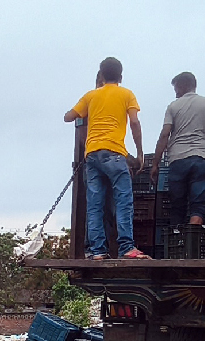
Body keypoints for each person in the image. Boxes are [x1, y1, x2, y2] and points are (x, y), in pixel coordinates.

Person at [64, 57, 150, 260]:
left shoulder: (91, 96)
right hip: (114, 153)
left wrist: (83, 109)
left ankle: (97, 251)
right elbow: (135, 123)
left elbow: (68, 117)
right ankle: (127, 248)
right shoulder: (126, 94)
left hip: (92, 155)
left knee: (94, 204)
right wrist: (139, 152)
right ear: (120, 76)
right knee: (123, 200)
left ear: (101, 75)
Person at [151, 72, 205, 226]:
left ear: (183, 85)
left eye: (176, 89)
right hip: (199, 158)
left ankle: (178, 244)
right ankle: (191, 245)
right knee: (197, 207)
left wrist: (155, 164)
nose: (176, 93)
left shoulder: (173, 106)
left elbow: (164, 135)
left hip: (177, 162)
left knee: (177, 208)